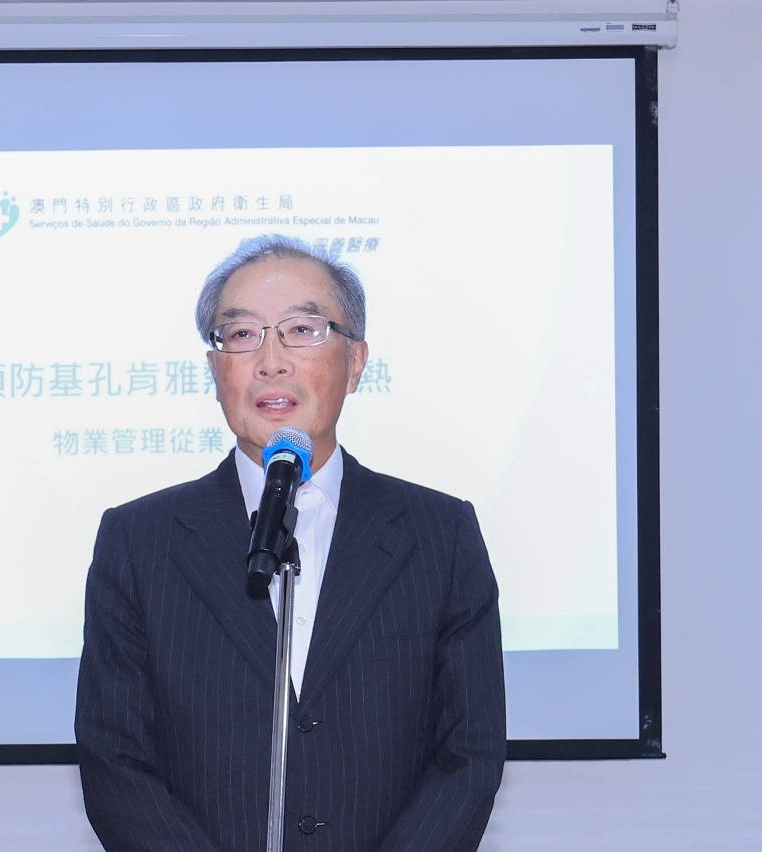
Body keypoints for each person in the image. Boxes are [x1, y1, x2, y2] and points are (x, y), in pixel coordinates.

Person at [75, 235, 506, 852]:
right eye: (242, 334)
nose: (271, 361)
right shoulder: (138, 541)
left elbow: (469, 753)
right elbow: (114, 760)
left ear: (355, 362)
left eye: (303, 330)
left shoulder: (440, 534)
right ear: (215, 371)